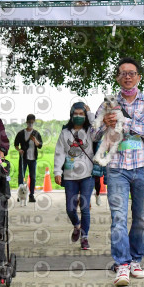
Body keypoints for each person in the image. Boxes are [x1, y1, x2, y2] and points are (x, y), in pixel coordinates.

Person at [94, 57, 144, 287]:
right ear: (117, 78)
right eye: (123, 73)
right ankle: (122, 264)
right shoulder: (107, 104)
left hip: (142, 167)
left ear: (139, 77)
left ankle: (136, 260)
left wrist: (126, 124)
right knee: (119, 218)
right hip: (116, 168)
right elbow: (93, 135)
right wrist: (105, 123)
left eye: (132, 73)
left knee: (141, 218)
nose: (127, 76)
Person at [53, 102, 96, 250]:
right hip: (69, 175)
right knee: (70, 208)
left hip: (87, 175)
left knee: (85, 207)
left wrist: (90, 113)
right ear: (71, 115)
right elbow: (60, 153)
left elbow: (98, 127)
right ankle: (77, 226)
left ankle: (85, 237)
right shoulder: (65, 133)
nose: (78, 116)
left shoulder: (91, 131)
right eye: (76, 114)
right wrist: (57, 171)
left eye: (81, 114)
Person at [13, 114, 43, 203]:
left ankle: (31, 195)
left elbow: (40, 145)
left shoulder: (36, 133)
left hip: (33, 158)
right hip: (24, 158)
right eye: (29, 122)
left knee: (33, 177)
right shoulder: (21, 133)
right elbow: (15, 144)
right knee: (21, 176)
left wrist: (35, 140)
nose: (30, 124)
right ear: (26, 122)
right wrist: (19, 150)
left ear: (34, 122)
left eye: (32, 122)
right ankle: (20, 195)